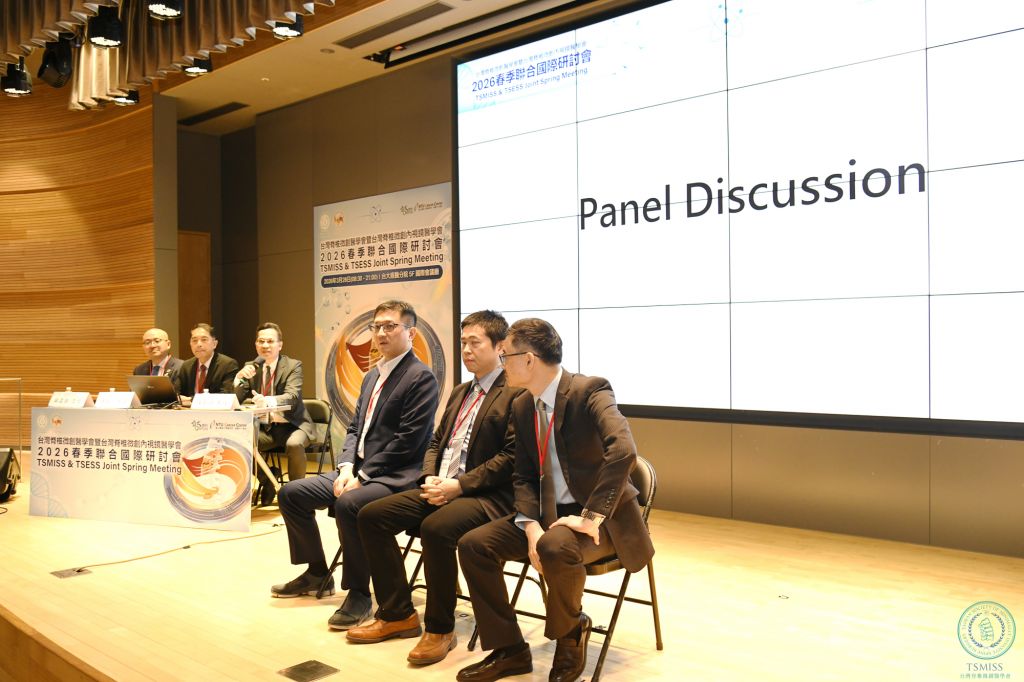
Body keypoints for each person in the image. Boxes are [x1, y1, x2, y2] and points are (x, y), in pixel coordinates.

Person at [456, 318, 655, 682]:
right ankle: (510, 649)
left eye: (505, 355)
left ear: (529, 359)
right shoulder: (522, 404)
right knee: (474, 545)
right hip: (548, 517)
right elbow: (523, 475)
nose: (501, 363)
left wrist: (591, 516)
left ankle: (570, 634)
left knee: (555, 546)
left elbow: (624, 450)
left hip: (603, 521)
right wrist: (530, 526)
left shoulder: (589, 390)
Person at [347, 310, 522, 666]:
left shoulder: (515, 393)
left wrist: (458, 486)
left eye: (475, 343)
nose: (467, 350)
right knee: (371, 516)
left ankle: (440, 628)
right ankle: (397, 613)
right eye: (463, 343)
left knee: (435, 527)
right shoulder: (461, 391)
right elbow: (435, 442)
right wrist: (428, 476)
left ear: (500, 347)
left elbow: (511, 458)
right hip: (441, 485)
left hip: (488, 496)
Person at [270, 300, 439, 633]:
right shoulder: (372, 375)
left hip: (396, 476)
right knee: (291, 493)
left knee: (349, 503)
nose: (381, 333)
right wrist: (347, 467)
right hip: (357, 470)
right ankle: (317, 572)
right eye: (377, 327)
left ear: (410, 333)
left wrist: (362, 476)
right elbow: (353, 429)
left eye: (390, 326)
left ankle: (359, 593)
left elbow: (407, 441)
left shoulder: (421, 377)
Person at [234, 322, 316, 486]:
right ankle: (268, 480)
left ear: (280, 345)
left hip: (293, 425)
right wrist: (238, 379)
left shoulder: (293, 365)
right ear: (256, 344)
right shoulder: (251, 367)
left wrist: (268, 401)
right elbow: (237, 399)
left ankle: (296, 492)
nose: (265, 345)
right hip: (265, 428)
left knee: (294, 444)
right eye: (261, 341)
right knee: (237, 441)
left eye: (270, 341)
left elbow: (292, 396)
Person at [173, 323, 240, 407]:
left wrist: (191, 400)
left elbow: (225, 396)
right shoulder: (186, 365)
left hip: (216, 412)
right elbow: (176, 393)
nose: (199, 344)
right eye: (194, 340)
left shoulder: (228, 364)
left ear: (214, 344)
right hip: (188, 412)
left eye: (204, 340)